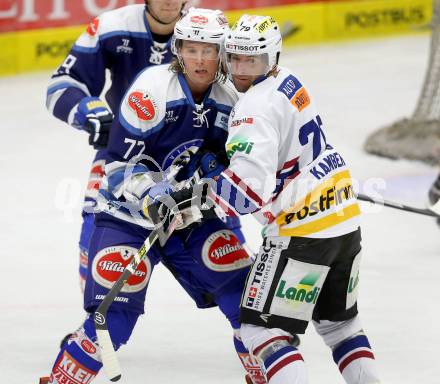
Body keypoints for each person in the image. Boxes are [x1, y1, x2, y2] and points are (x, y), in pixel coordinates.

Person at [40, 8, 267, 384]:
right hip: (129, 218)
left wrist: (221, 175)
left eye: (208, 51)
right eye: (191, 49)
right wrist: (152, 193)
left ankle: (265, 374)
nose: (199, 60)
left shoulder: (231, 100)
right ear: (178, 50)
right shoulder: (151, 90)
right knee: (114, 320)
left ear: (222, 53)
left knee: (245, 300)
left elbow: (235, 165)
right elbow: (116, 168)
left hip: (190, 219)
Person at [160, 14, 382, 384]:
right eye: (236, 58)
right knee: (340, 326)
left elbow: (248, 194)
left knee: (261, 331)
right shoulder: (291, 81)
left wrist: (197, 195)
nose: (243, 70)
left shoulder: (251, 109)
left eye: (254, 60)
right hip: (344, 216)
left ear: (272, 58)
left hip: (301, 230)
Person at [46, 0, 188, 292]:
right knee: (95, 235)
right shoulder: (111, 26)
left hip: (190, 157)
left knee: (219, 242)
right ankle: (96, 326)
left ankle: (255, 329)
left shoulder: (206, 33)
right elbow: (62, 85)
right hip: (123, 153)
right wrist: (90, 111)